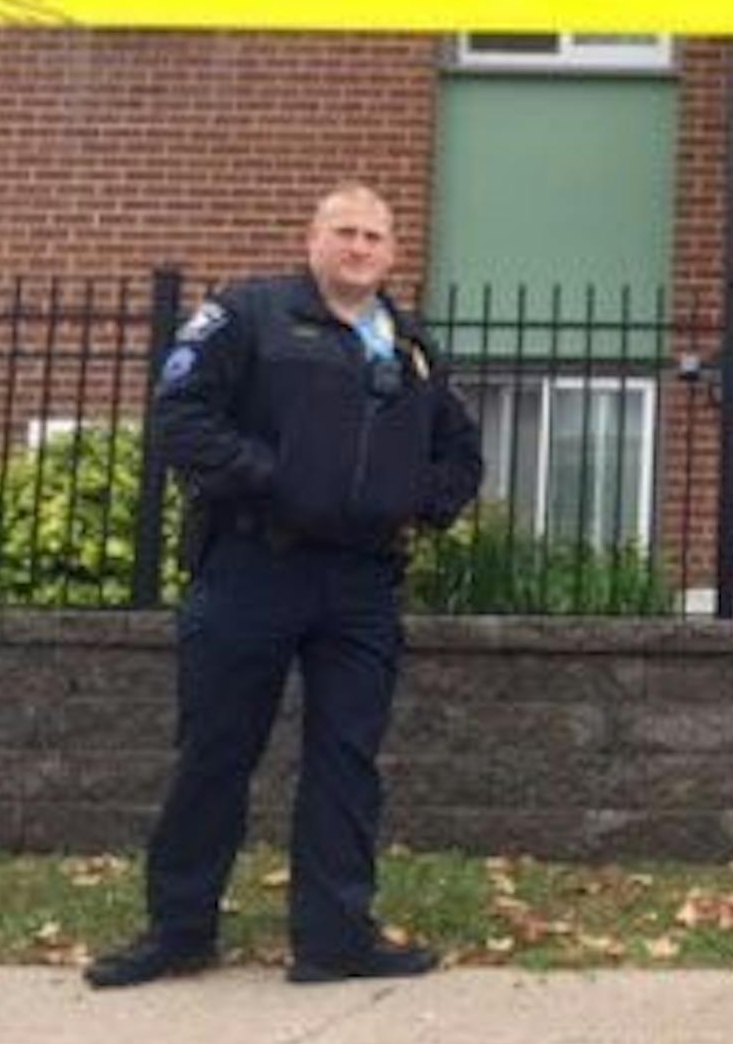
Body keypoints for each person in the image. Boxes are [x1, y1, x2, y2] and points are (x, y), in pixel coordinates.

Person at [85, 184, 483, 988]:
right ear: (312, 239)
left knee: (347, 761)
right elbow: (182, 418)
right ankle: (179, 930)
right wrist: (278, 480)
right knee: (216, 752)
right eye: (345, 231)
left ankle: (336, 938)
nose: (359, 247)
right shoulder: (248, 316)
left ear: (392, 252)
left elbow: (459, 451)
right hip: (252, 567)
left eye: (374, 236)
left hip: (362, 582)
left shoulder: (411, 345)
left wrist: (418, 503)